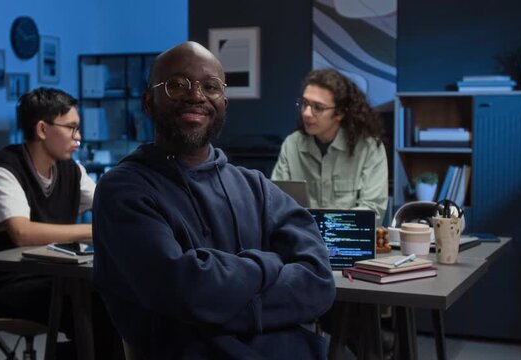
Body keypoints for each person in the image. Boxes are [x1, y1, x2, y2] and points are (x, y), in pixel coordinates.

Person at [92, 41, 336, 359]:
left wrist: (218, 306)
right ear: (149, 102)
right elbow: (184, 290)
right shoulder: (123, 190)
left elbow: (318, 280)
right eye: (177, 85)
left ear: (224, 103)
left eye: (210, 86)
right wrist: (270, 264)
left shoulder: (256, 188)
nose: (196, 96)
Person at [0, 87, 119, 358]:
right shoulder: (5, 169)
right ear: (41, 129)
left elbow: (108, 205)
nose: (79, 137)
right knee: (94, 305)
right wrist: (92, 231)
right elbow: (21, 232)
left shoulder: (71, 169)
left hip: (54, 276)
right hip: (5, 284)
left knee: (115, 297)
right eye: (72, 128)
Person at [271, 69, 388, 225]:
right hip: (301, 241)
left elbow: (373, 211)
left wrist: (328, 229)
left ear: (339, 113)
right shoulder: (292, 144)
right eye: (305, 103)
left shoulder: (369, 148)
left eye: (318, 107)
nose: (306, 113)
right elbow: (276, 203)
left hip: (349, 242)